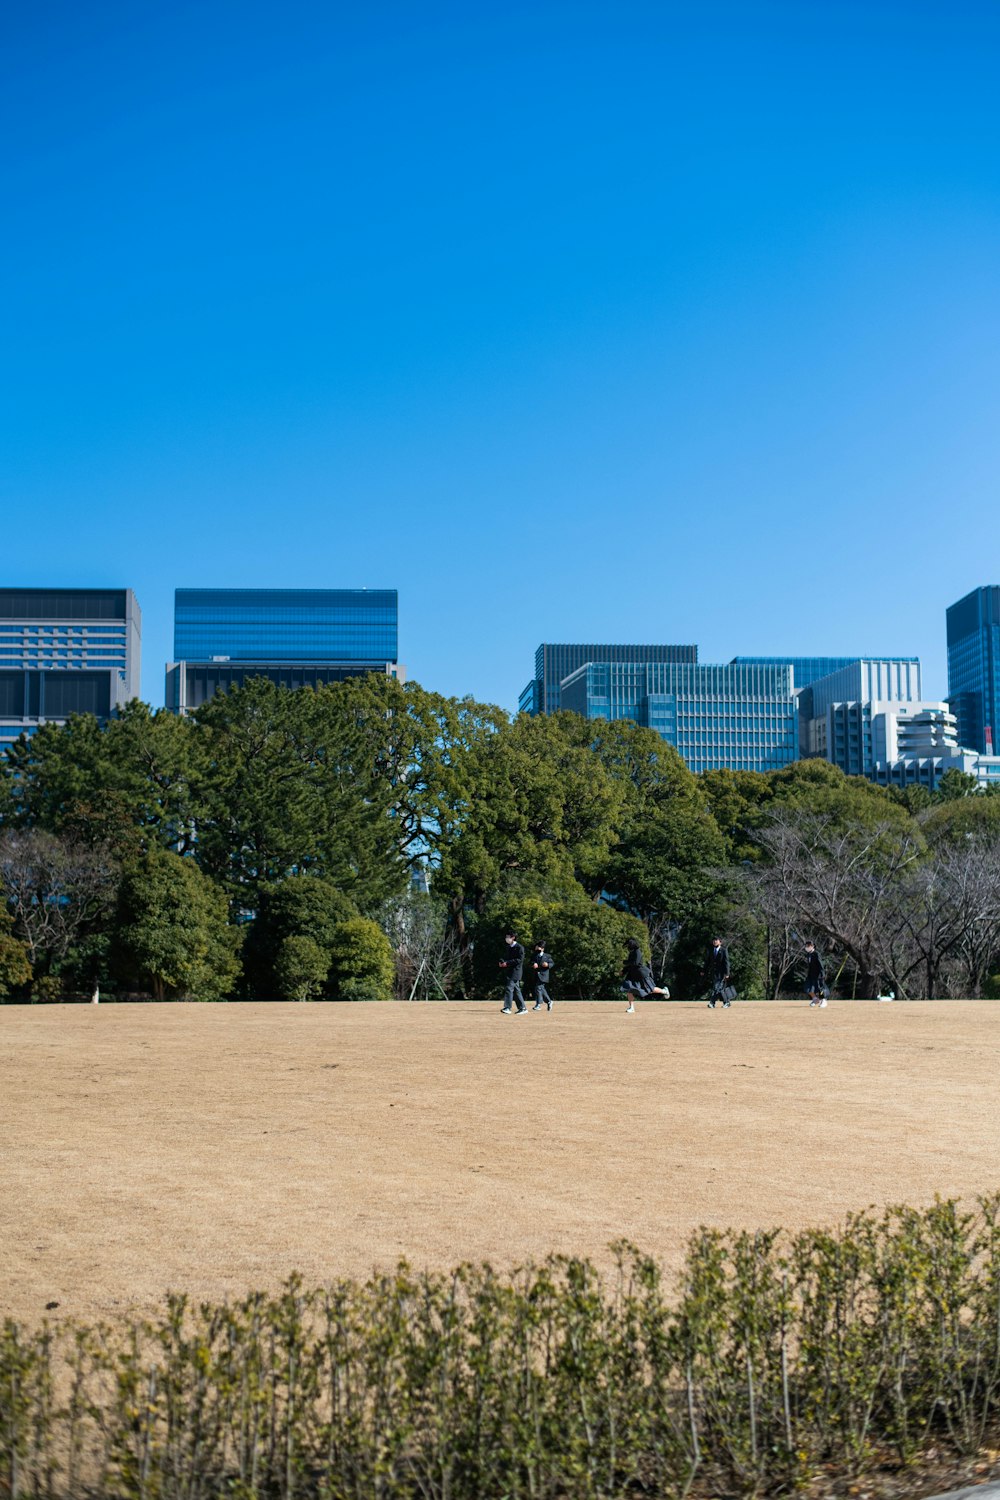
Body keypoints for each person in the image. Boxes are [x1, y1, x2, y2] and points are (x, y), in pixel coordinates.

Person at [621, 936, 669, 1014]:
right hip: (633, 975)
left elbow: (635, 963)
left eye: (628, 945)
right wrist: (623, 971)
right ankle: (631, 1008)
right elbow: (630, 965)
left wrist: (624, 962)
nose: (627, 947)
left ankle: (664, 991)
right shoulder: (632, 953)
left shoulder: (638, 952)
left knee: (650, 990)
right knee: (629, 989)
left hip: (641, 974)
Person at [499, 931, 527, 1014]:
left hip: (516, 971)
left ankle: (507, 1007)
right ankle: (523, 1008)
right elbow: (505, 957)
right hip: (509, 971)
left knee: (509, 988)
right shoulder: (508, 947)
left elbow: (519, 960)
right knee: (516, 990)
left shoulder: (519, 947)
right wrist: (502, 962)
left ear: (513, 937)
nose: (506, 939)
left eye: (508, 937)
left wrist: (507, 963)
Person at [706, 937, 733, 1008]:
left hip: (722, 973)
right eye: (713, 940)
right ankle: (726, 1002)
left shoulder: (724, 950)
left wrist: (727, 973)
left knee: (717, 987)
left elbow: (726, 962)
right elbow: (708, 961)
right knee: (719, 989)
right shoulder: (711, 950)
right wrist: (703, 970)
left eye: (716, 940)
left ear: (720, 942)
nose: (714, 942)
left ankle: (712, 1003)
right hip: (714, 973)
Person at [529, 942, 555, 1011]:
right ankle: (549, 1001)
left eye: (538, 947)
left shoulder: (547, 956)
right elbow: (530, 963)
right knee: (541, 988)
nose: (536, 949)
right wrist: (533, 964)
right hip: (535, 975)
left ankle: (538, 1004)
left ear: (542, 949)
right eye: (536, 947)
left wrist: (547, 965)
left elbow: (552, 963)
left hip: (544, 975)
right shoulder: (534, 955)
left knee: (538, 987)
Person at [804, 941, 828, 1007]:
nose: (807, 947)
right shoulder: (808, 954)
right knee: (808, 988)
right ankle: (815, 999)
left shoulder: (816, 954)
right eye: (806, 945)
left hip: (818, 974)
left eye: (809, 945)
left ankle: (823, 1000)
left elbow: (821, 964)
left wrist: (822, 974)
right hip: (811, 974)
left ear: (813, 946)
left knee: (820, 988)